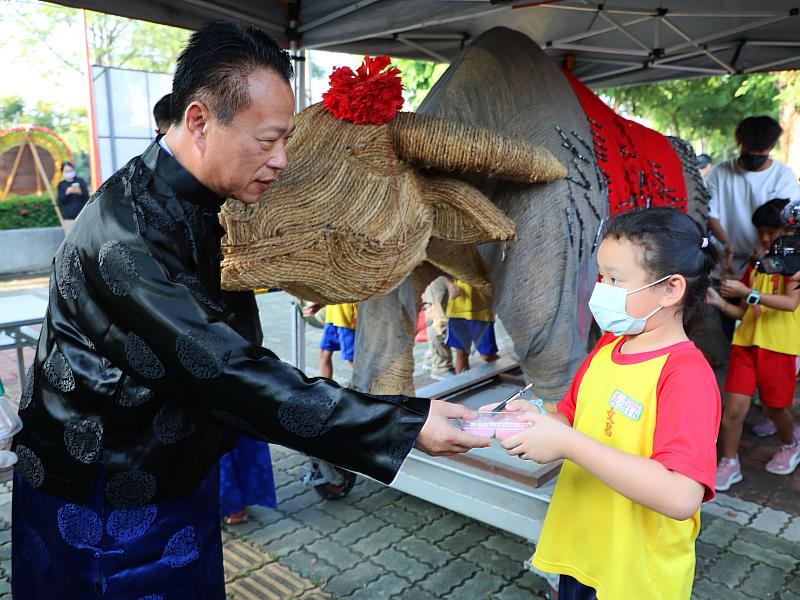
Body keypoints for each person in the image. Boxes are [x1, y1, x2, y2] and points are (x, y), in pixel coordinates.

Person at [11, 22, 487, 599]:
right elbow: (221, 367)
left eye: (285, 140)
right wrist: (401, 424)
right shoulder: (124, 233)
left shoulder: (203, 198)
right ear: (198, 121)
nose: (281, 160)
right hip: (103, 490)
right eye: (268, 140)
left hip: (173, 469)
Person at [497, 208, 721, 599]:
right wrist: (532, 420)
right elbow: (570, 418)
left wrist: (567, 444)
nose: (601, 289)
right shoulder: (609, 345)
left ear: (672, 289)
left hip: (636, 576)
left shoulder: (686, 375)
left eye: (616, 279)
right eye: (601, 276)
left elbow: (682, 496)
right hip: (583, 553)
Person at [709, 199, 800, 490]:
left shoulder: (794, 262)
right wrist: (720, 301)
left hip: (780, 347)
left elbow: (790, 303)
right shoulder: (758, 265)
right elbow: (744, 313)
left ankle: (790, 442)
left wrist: (748, 292)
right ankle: (730, 461)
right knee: (733, 410)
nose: (764, 237)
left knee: (775, 409)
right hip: (745, 345)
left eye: (771, 232)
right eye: (761, 231)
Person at [707, 116, 800, 276]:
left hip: (767, 261)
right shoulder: (719, 173)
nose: (754, 154)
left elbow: (786, 223)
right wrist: (727, 243)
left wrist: (764, 246)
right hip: (726, 260)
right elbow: (710, 214)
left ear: (771, 146)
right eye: (748, 149)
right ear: (739, 144)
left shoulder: (783, 177)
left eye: (760, 150)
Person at [443, 277, 499, 373]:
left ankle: (504, 375)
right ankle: (463, 384)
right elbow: (443, 271)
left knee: (487, 355)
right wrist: (450, 286)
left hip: (482, 310)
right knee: (461, 353)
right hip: (458, 310)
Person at [304, 303, 356, 379]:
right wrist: (322, 303)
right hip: (333, 314)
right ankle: (325, 388)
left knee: (352, 359)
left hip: (346, 316)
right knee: (324, 352)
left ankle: (372, 385)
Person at [56, 160, 89, 232]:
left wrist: (80, 192)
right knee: (71, 239)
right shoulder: (61, 185)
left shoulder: (80, 181)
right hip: (69, 218)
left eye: (70, 171)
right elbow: (60, 201)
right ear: (63, 173)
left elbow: (87, 197)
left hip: (82, 216)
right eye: (66, 172)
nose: (69, 173)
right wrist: (66, 193)